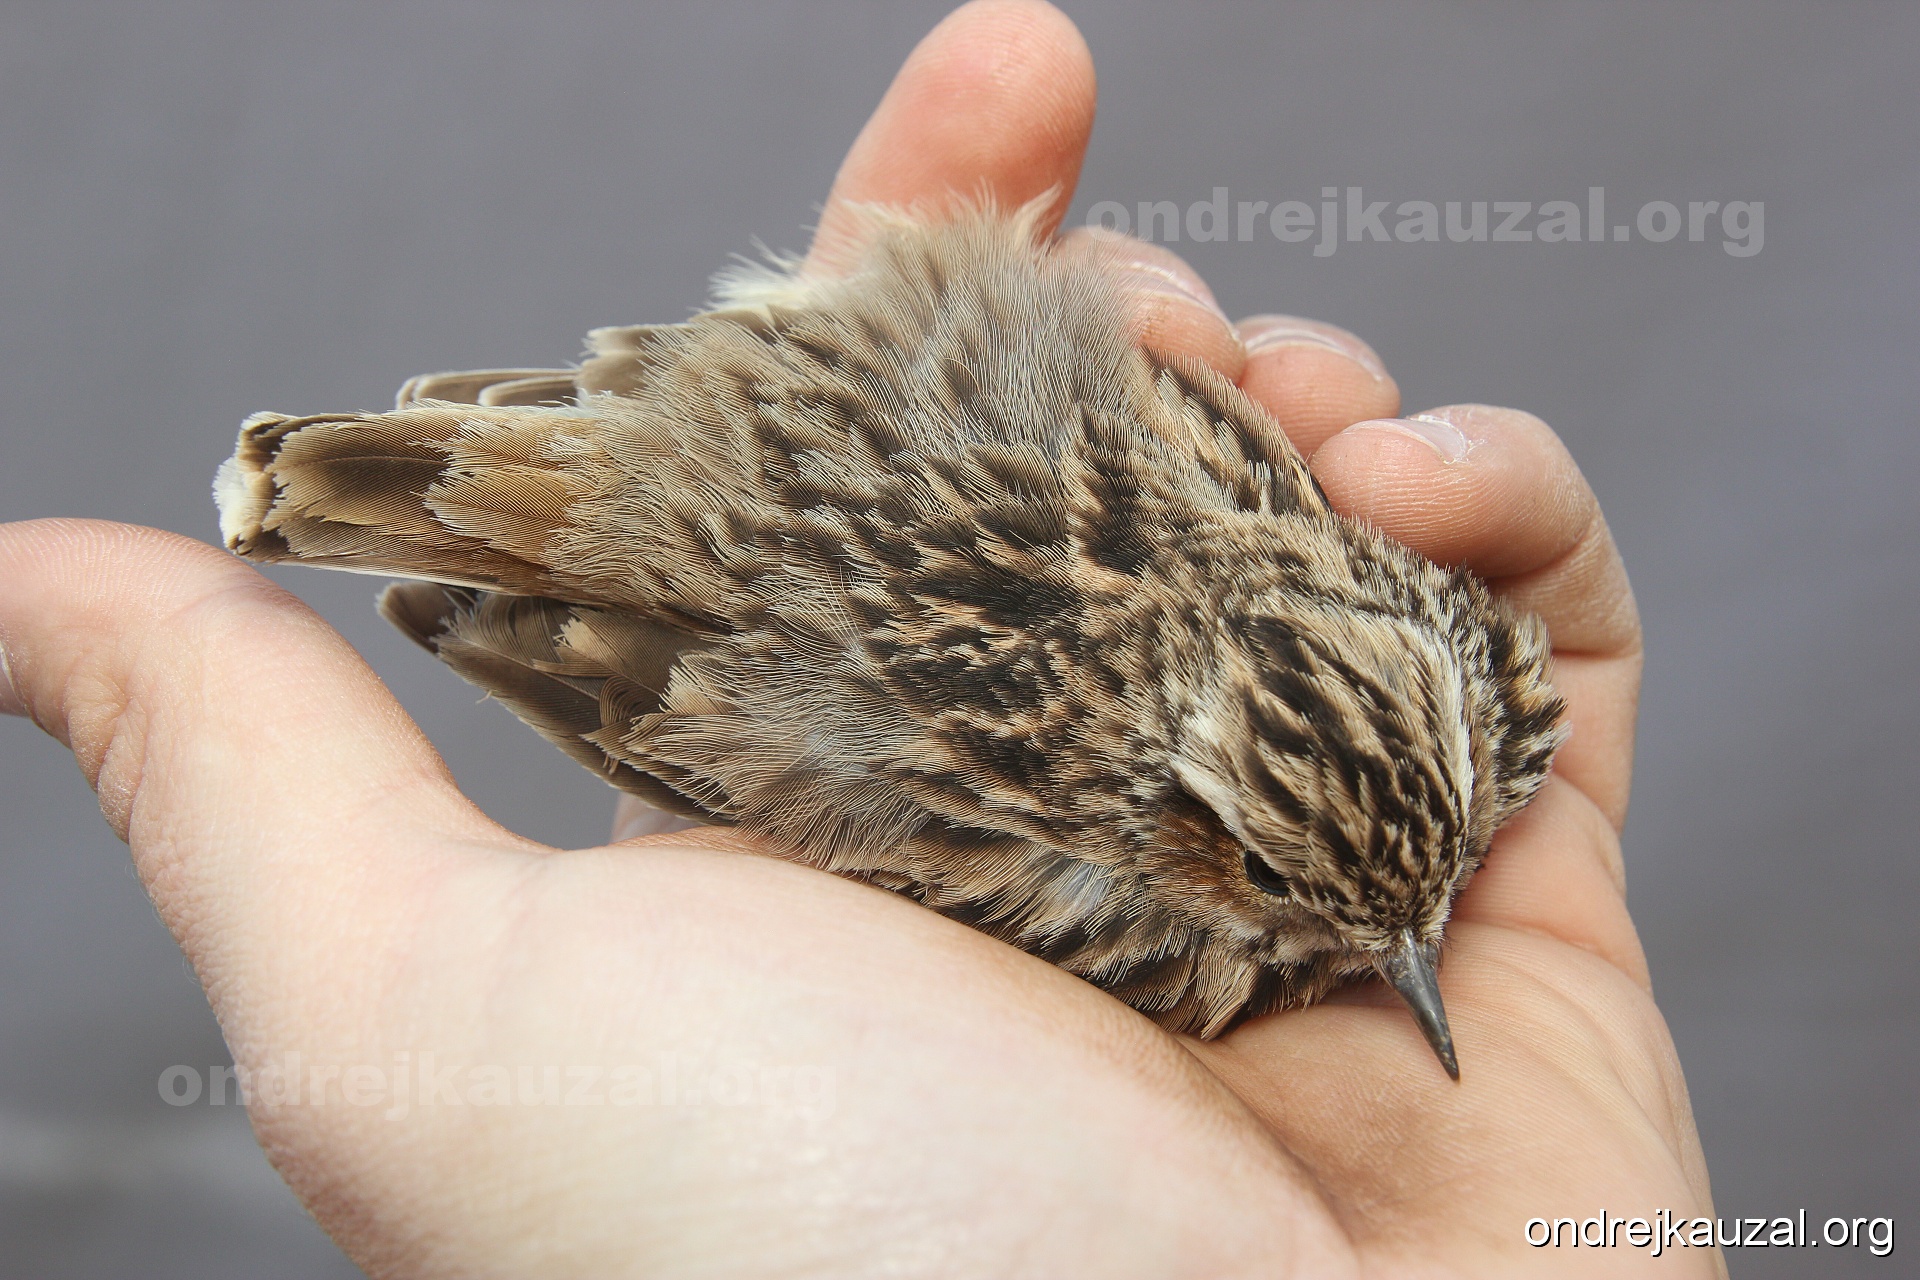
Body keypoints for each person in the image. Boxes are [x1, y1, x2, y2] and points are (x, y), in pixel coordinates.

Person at [0, 2, 1720, 1273]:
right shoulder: (1183, 909)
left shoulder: (1431, 660)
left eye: (1405, 898)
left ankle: (470, 473)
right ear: (1203, 814)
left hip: (776, 432)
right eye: (1301, 887)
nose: (1405, 958)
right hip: (724, 528)